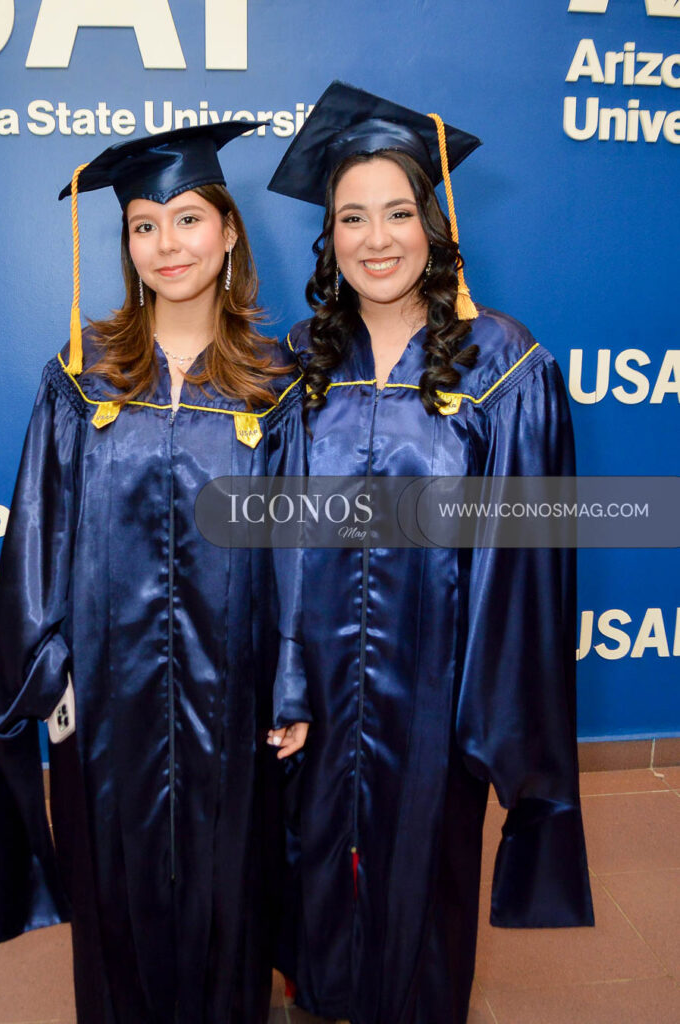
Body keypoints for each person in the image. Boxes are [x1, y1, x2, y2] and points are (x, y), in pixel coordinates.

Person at [267, 82, 594, 1024]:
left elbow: (525, 563)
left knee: (423, 896)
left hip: (438, 693)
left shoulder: (503, 364)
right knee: (310, 876)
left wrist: (478, 711)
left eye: (398, 212)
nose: (376, 239)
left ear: (433, 225)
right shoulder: (297, 362)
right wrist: (283, 681)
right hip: (314, 686)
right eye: (352, 217)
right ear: (328, 237)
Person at [0, 122, 310, 1024]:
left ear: (229, 231)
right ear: (125, 243)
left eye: (189, 218)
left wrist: (290, 681)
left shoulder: (276, 385)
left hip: (233, 691)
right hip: (106, 696)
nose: (168, 244)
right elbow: (36, 530)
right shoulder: (80, 378)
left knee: (229, 889)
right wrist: (48, 670)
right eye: (144, 225)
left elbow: (297, 550)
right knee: (114, 894)